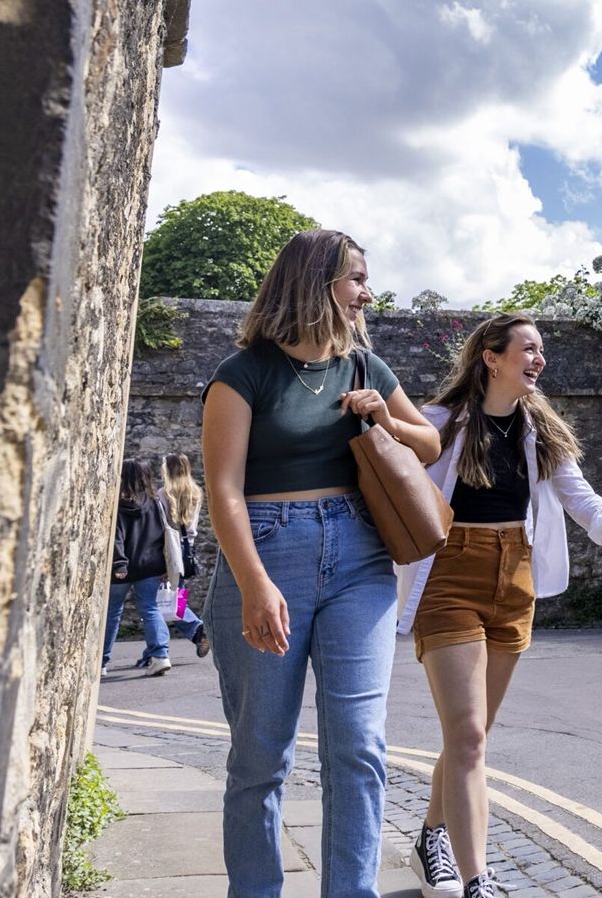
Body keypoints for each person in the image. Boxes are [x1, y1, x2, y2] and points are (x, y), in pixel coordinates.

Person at [201, 228, 440, 898]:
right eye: (357, 278)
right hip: (267, 551)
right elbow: (222, 487)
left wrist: (383, 419)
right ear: (317, 283)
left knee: (359, 747)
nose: (368, 291)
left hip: (360, 558)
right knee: (259, 757)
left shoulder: (366, 367)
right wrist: (253, 582)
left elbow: (430, 440)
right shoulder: (242, 372)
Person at [399, 313, 602, 898]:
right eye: (528, 347)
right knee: (468, 735)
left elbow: (581, 498)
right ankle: (479, 880)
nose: (539, 358)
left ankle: (431, 838)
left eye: (541, 349)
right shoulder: (440, 423)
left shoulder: (540, 430)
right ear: (491, 357)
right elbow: (391, 483)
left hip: (514, 581)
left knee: (472, 734)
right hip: (450, 578)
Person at [103, 457, 179, 677]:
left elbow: (117, 536)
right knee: (150, 608)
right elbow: (161, 536)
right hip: (150, 567)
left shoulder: (118, 504)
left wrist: (119, 563)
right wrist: (165, 565)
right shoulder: (154, 502)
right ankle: (160, 655)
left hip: (123, 568)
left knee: (112, 612)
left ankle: (101, 662)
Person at [163, 451, 211, 658]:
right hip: (187, 549)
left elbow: (162, 526)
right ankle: (154, 650)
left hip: (168, 549)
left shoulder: (162, 494)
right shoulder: (196, 492)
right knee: (176, 595)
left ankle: (197, 629)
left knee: (162, 600)